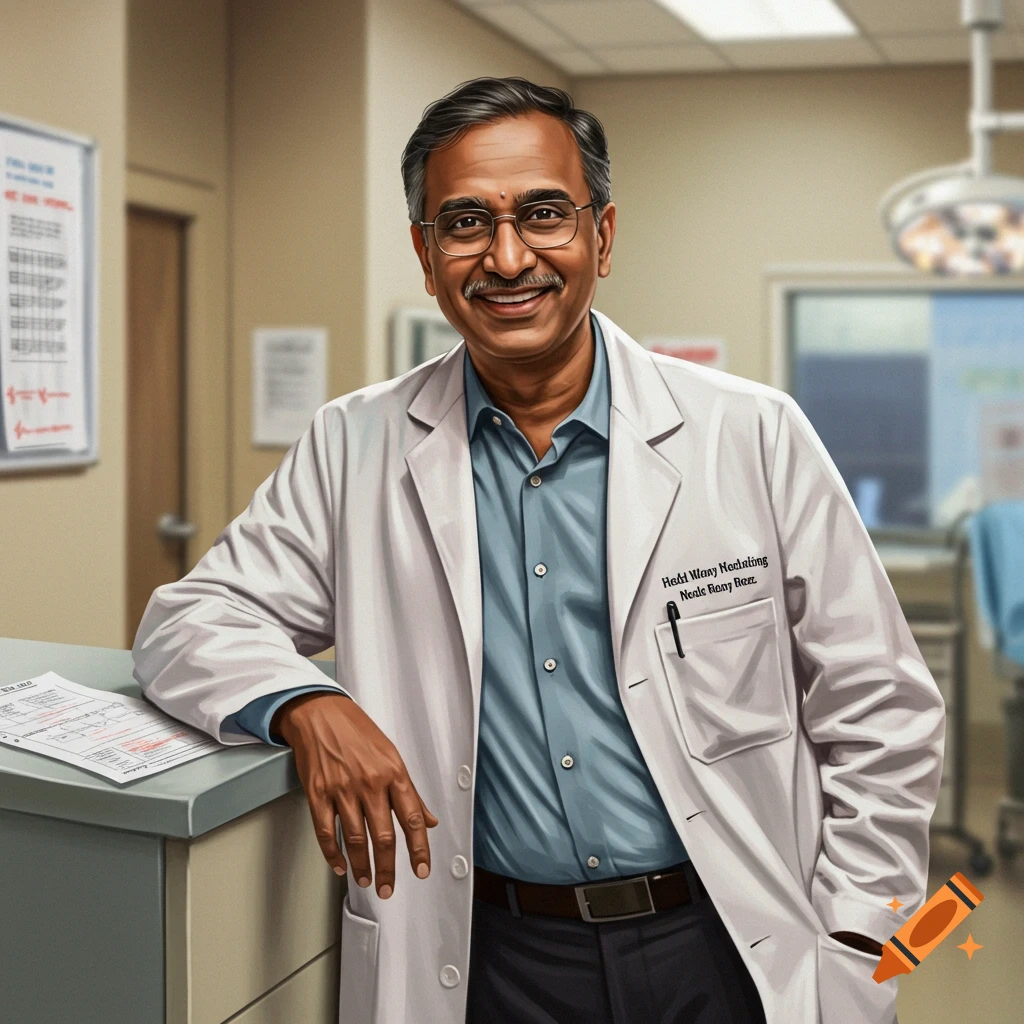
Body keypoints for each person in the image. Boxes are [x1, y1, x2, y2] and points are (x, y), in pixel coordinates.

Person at [132, 77, 945, 1024]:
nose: (508, 257)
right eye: (465, 223)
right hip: (493, 960)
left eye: (544, 214)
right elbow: (188, 618)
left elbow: (882, 711)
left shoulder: (751, 435)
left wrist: (859, 943)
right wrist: (306, 702)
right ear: (426, 257)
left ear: (601, 235)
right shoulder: (355, 443)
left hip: (726, 942)